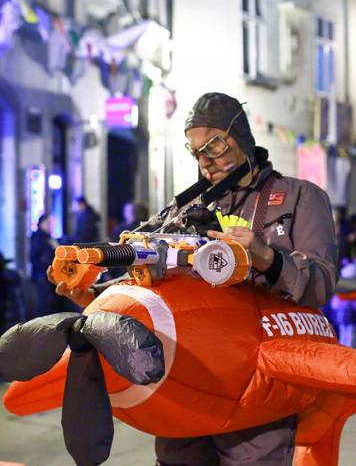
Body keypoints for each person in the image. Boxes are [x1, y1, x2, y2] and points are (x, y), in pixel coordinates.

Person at [48, 92, 338, 465]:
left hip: (257, 384)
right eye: (196, 151)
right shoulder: (184, 209)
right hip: (189, 376)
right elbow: (154, 281)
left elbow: (322, 284)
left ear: (242, 139)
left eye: (214, 148)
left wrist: (266, 257)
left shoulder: (301, 197)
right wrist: (93, 294)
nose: (204, 162)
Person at [30, 213, 61, 317]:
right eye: (47, 222)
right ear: (41, 223)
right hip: (42, 276)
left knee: (50, 304)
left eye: (50, 223)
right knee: (44, 304)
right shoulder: (37, 237)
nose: (49, 225)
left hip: (50, 276)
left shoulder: (48, 238)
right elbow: (35, 257)